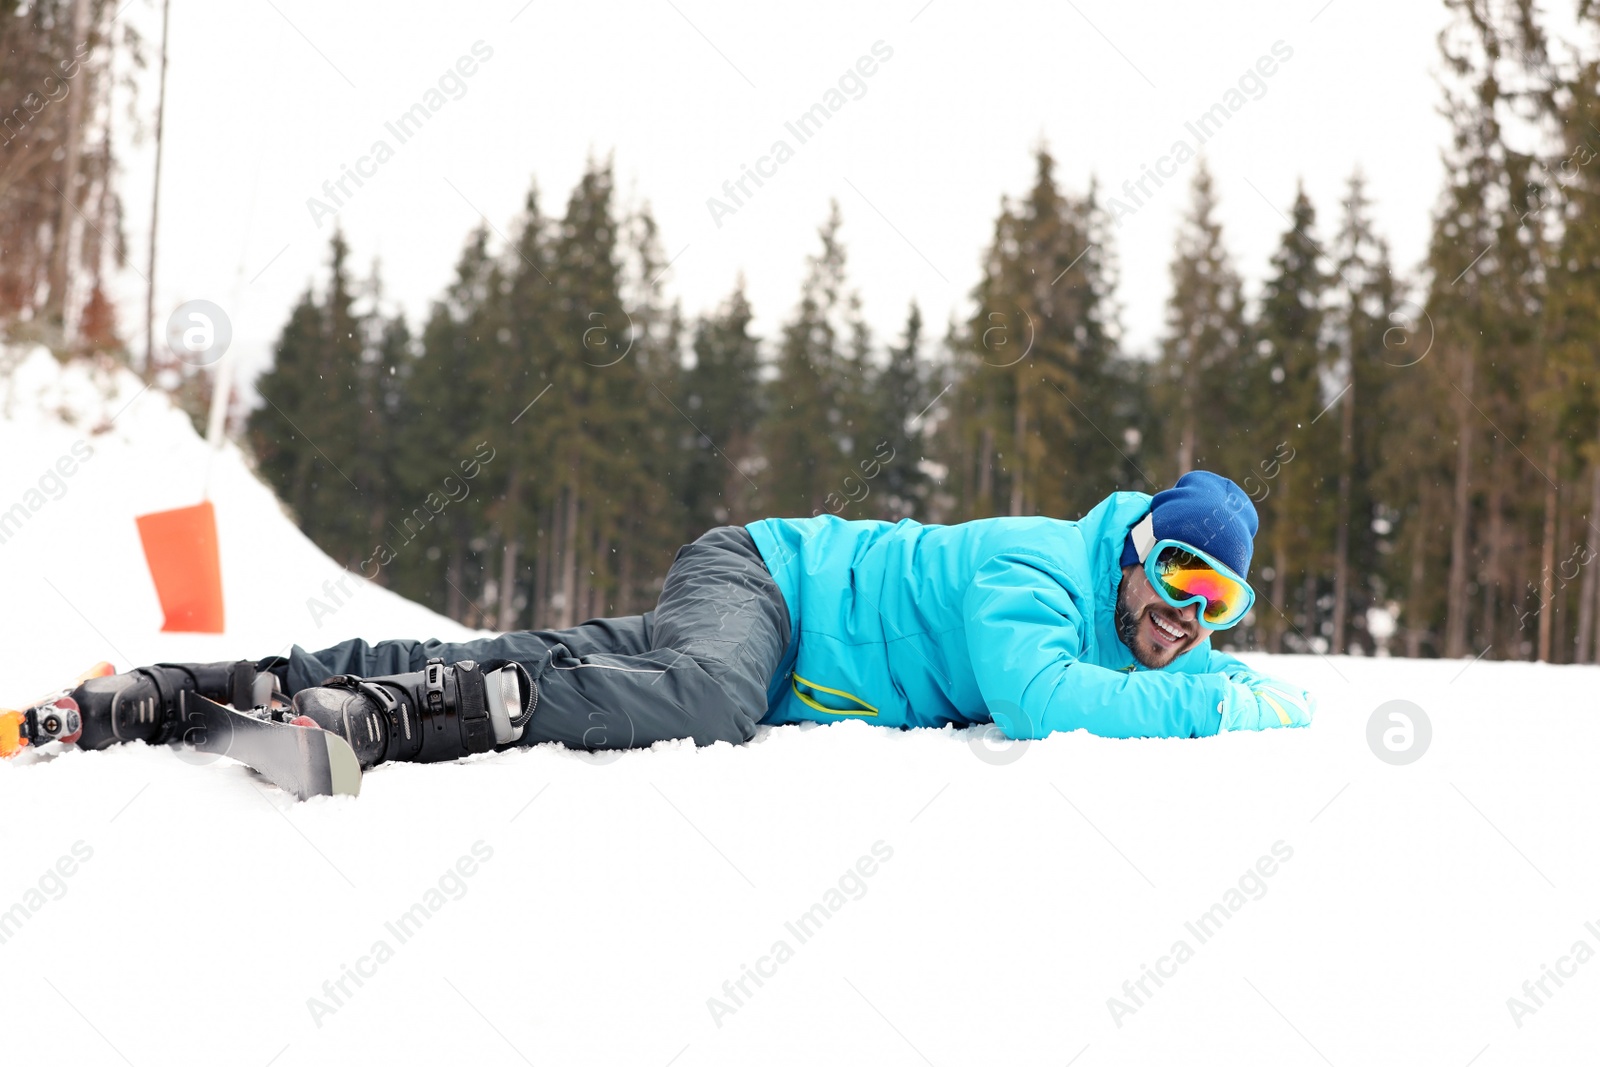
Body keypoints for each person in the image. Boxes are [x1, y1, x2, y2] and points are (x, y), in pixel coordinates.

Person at [54, 470, 1314, 769]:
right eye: (1176, 583)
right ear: (1129, 553)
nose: (1185, 622)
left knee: (545, 655)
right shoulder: (1036, 572)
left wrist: (1250, 687)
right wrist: (1214, 702)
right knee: (707, 699)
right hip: (767, 586)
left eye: (1220, 606)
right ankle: (393, 718)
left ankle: (210, 684)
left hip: (770, 638)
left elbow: (1124, 682)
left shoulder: (1128, 622)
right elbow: (1045, 705)